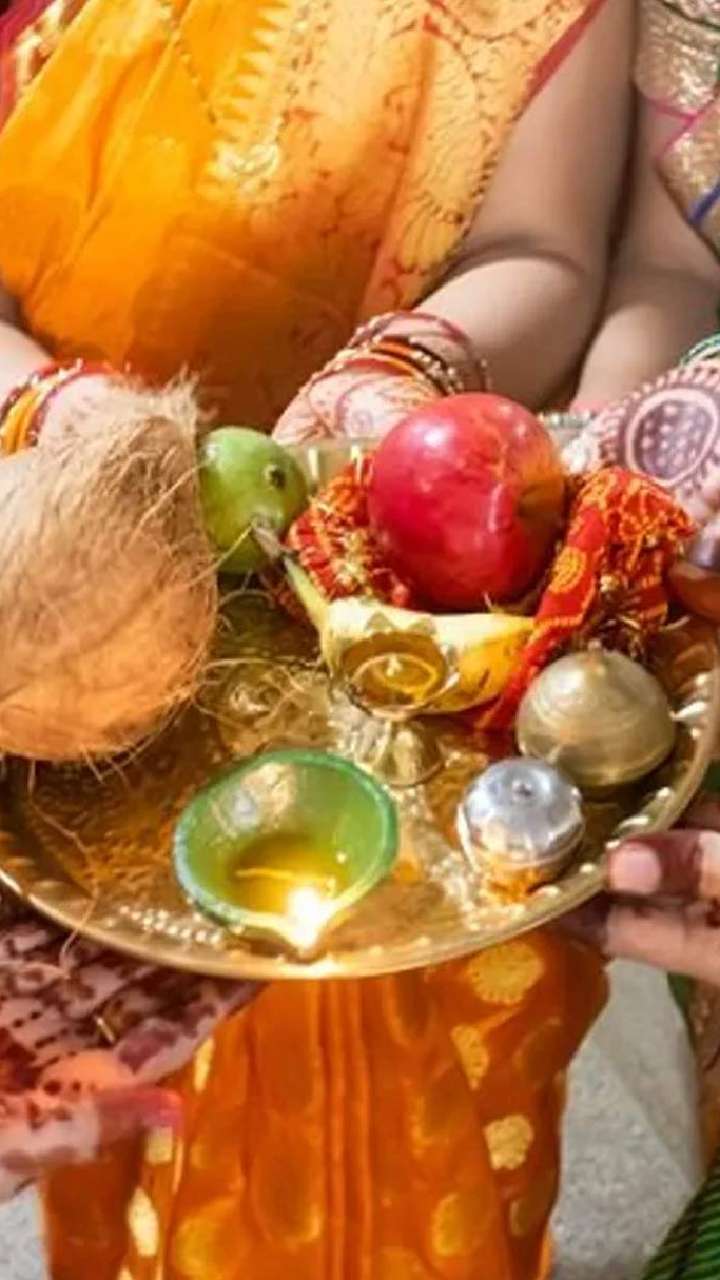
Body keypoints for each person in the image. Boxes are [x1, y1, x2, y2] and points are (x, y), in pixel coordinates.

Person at [0, 1, 708, 1278]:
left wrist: (415, 366)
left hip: (412, 624)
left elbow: (562, 249)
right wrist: (55, 416)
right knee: (113, 1066)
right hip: (62, 599)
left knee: (419, 1091)